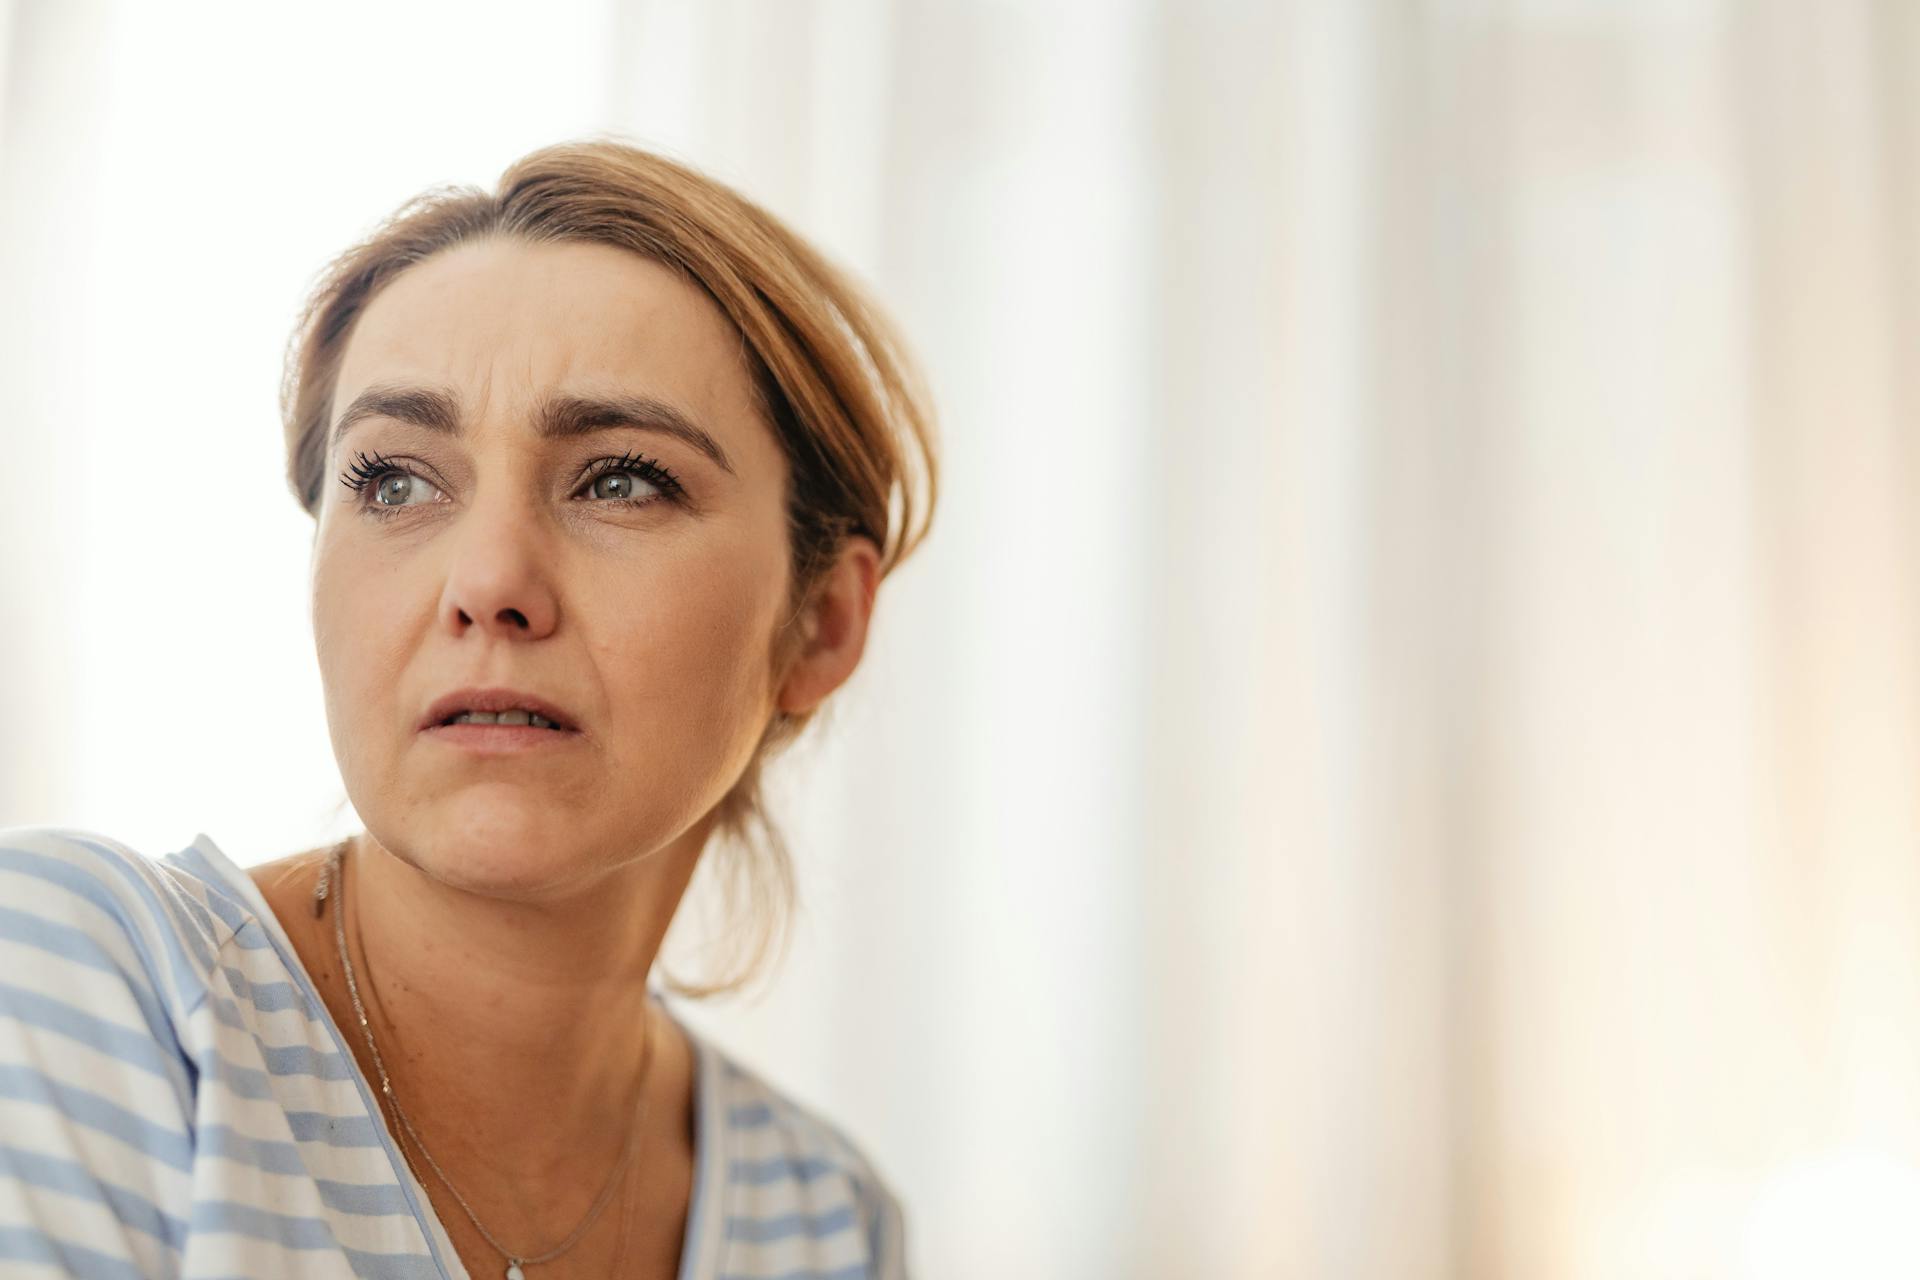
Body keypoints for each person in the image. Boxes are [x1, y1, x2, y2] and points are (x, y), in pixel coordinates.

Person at [0, 137, 938, 1279]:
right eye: (395, 480)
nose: (488, 580)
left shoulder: (827, 1224)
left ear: (822, 624)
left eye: (621, 478)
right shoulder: (73, 986)